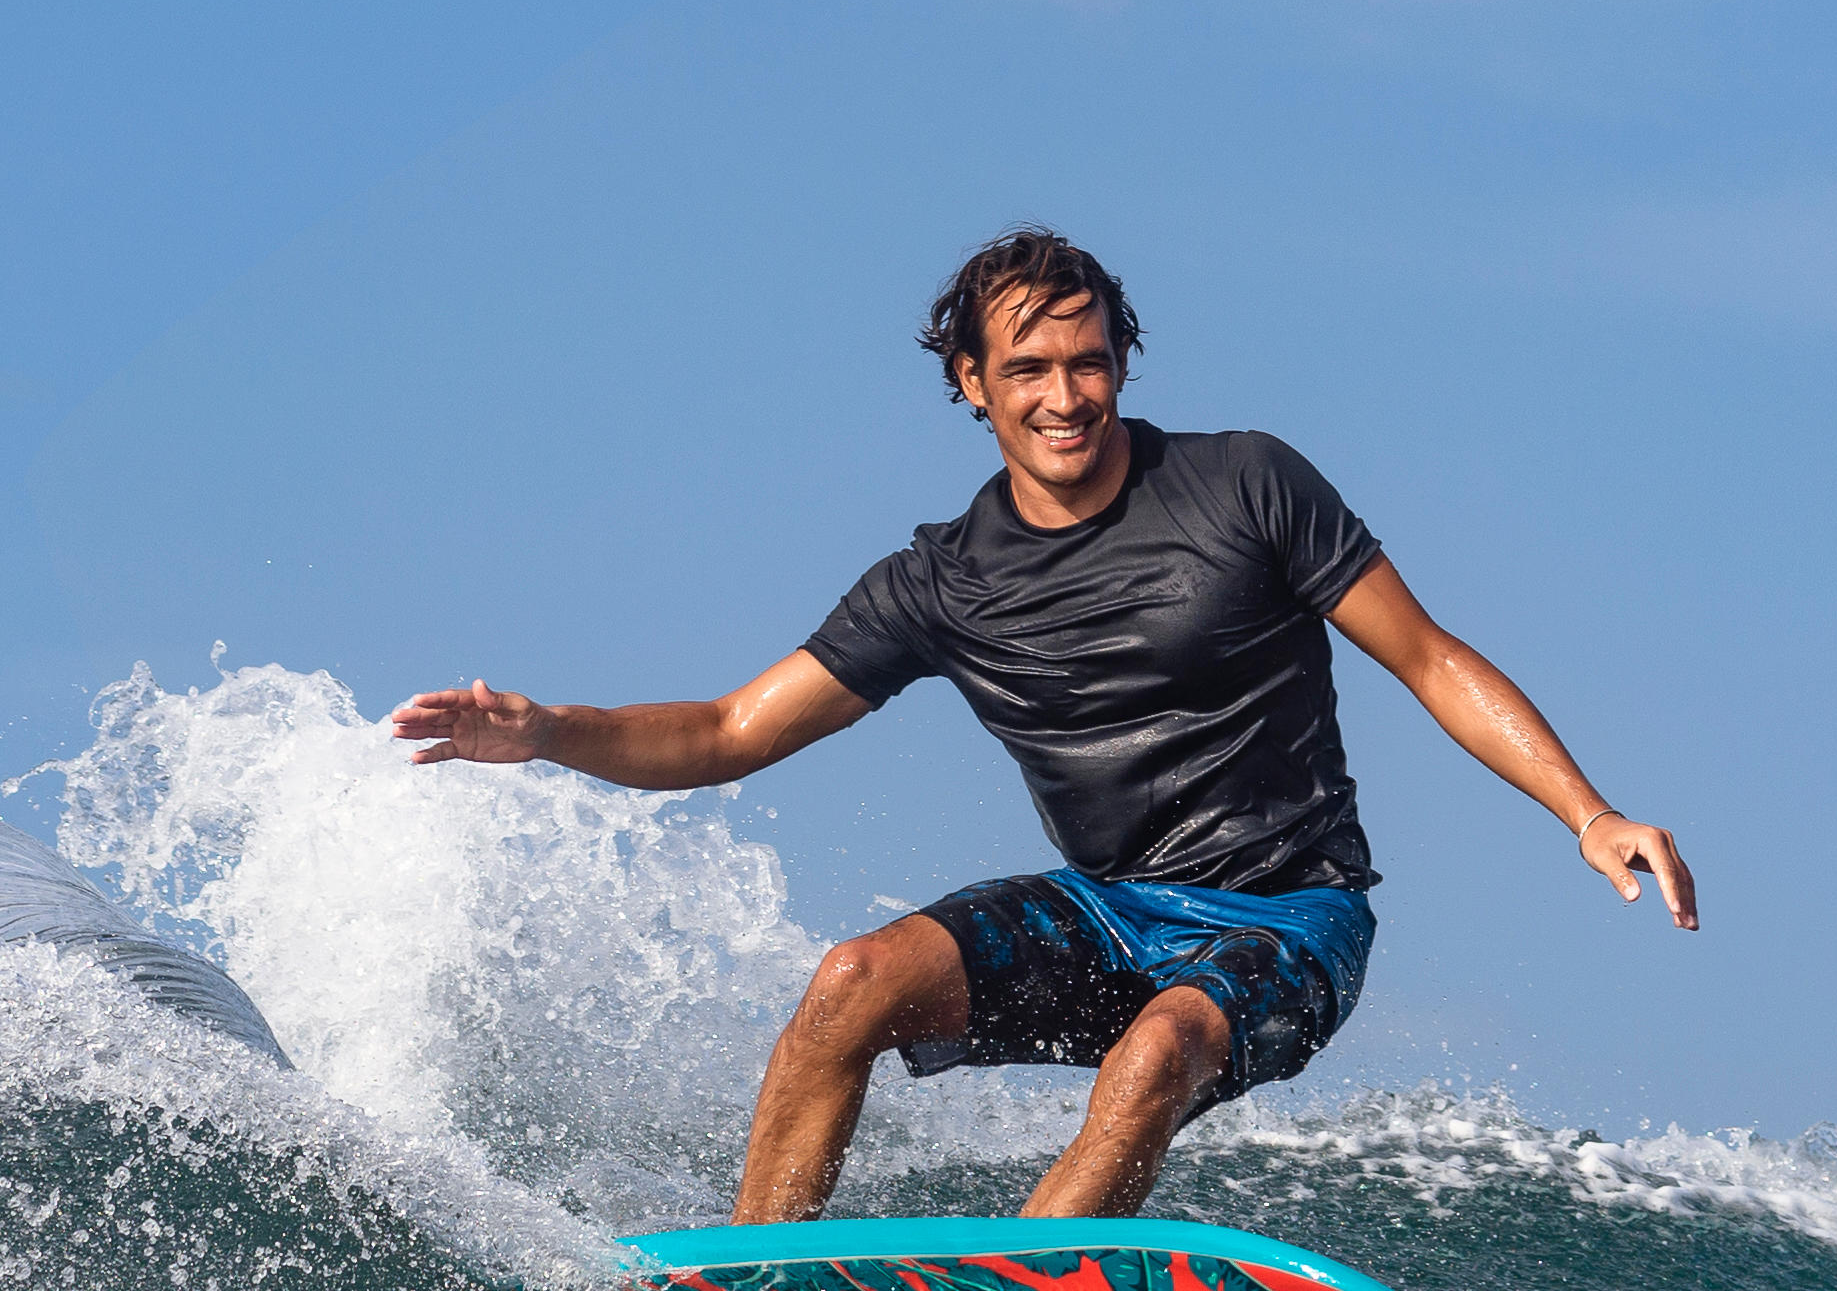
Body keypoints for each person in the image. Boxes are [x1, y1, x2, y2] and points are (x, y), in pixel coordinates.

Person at [391, 227, 1696, 1224]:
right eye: (1027, 368)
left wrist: (1587, 812)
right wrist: (551, 729)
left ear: (1122, 362)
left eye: (1086, 362)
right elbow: (732, 731)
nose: (1063, 395)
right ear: (971, 382)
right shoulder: (945, 579)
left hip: (1292, 919)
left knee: (1159, 1051)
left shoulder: (1246, 485)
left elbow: (1429, 657)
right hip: (1108, 908)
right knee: (852, 983)